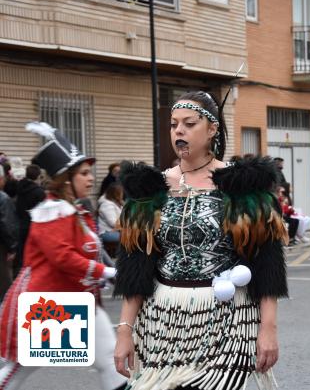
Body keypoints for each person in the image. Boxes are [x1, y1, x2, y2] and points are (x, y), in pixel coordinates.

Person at [113, 90, 288, 390]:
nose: (179, 130)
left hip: (228, 319)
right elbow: (135, 266)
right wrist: (125, 331)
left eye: (189, 123)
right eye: (173, 124)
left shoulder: (242, 186)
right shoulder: (149, 188)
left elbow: (266, 262)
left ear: (212, 130)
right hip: (163, 320)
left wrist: (268, 328)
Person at [0, 122, 126, 390]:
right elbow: (63, 258)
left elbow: (84, 255)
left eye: (90, 172)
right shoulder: (52, 210)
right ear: (66, 179)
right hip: (51, 302)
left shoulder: (73, 209)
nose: (91, 178)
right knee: (20, 369)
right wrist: (106, 272)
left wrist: (104, 275)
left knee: (110, 360)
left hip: (79, 300)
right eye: (84, 173)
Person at [13, 164, 46, 278]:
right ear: (37, 176)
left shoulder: (19, 187)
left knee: (22, 254)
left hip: (21, 224)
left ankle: (21, 278)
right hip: (34, 226)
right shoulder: (39, 192)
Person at [0, 163, 18, 301]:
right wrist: (13, 247)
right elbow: (7, 225)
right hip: (1, 247)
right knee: (4, 283)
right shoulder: (3, 198)